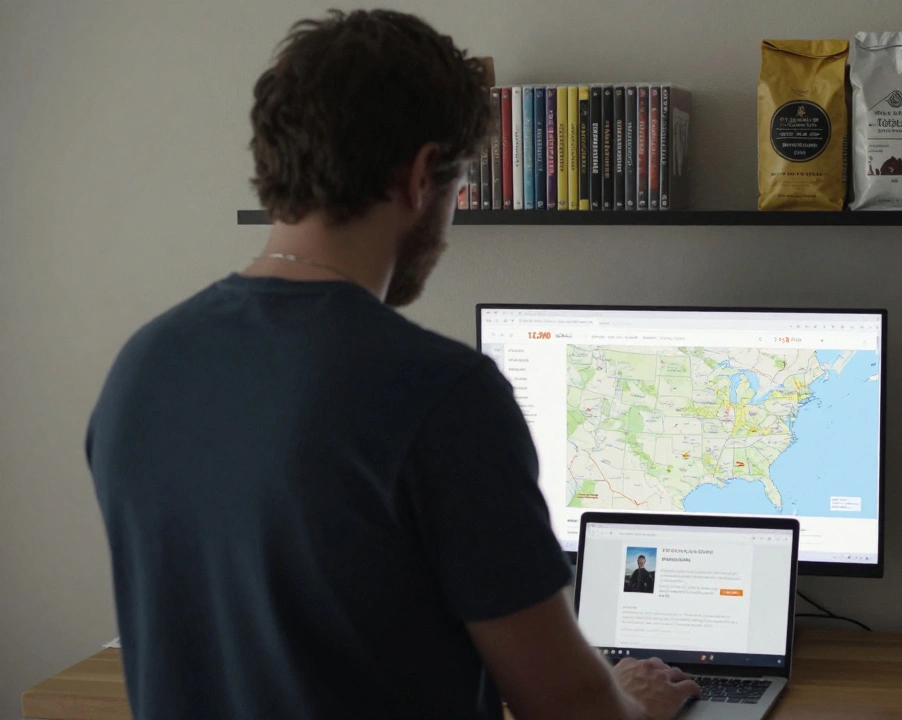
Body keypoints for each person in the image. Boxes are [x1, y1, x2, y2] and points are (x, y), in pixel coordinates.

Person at [86, 10, 698, 720]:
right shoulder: (440, 395)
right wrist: (641, 703)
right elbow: (570, 711)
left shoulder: (143, 365)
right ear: (418, 177)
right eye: (457, 185)